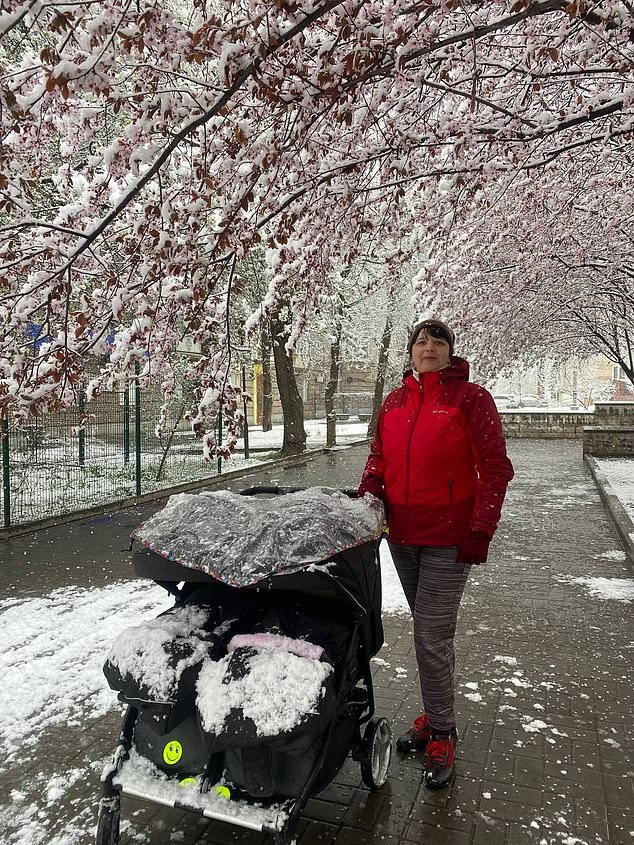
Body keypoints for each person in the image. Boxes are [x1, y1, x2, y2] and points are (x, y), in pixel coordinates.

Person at [358, 318, 514, 789]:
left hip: (450, 540)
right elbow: (378, 456)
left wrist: (481, 529)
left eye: (437, 340)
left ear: (449, 352)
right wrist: (369, 487)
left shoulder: (471, 399)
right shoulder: (394, 402)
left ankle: (443, 731)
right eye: (420, 341)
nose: (428, 346)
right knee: (431, 635)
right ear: (410, 352)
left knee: (430, 636)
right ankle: (434, 712)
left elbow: (496, 468)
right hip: (402, 537)